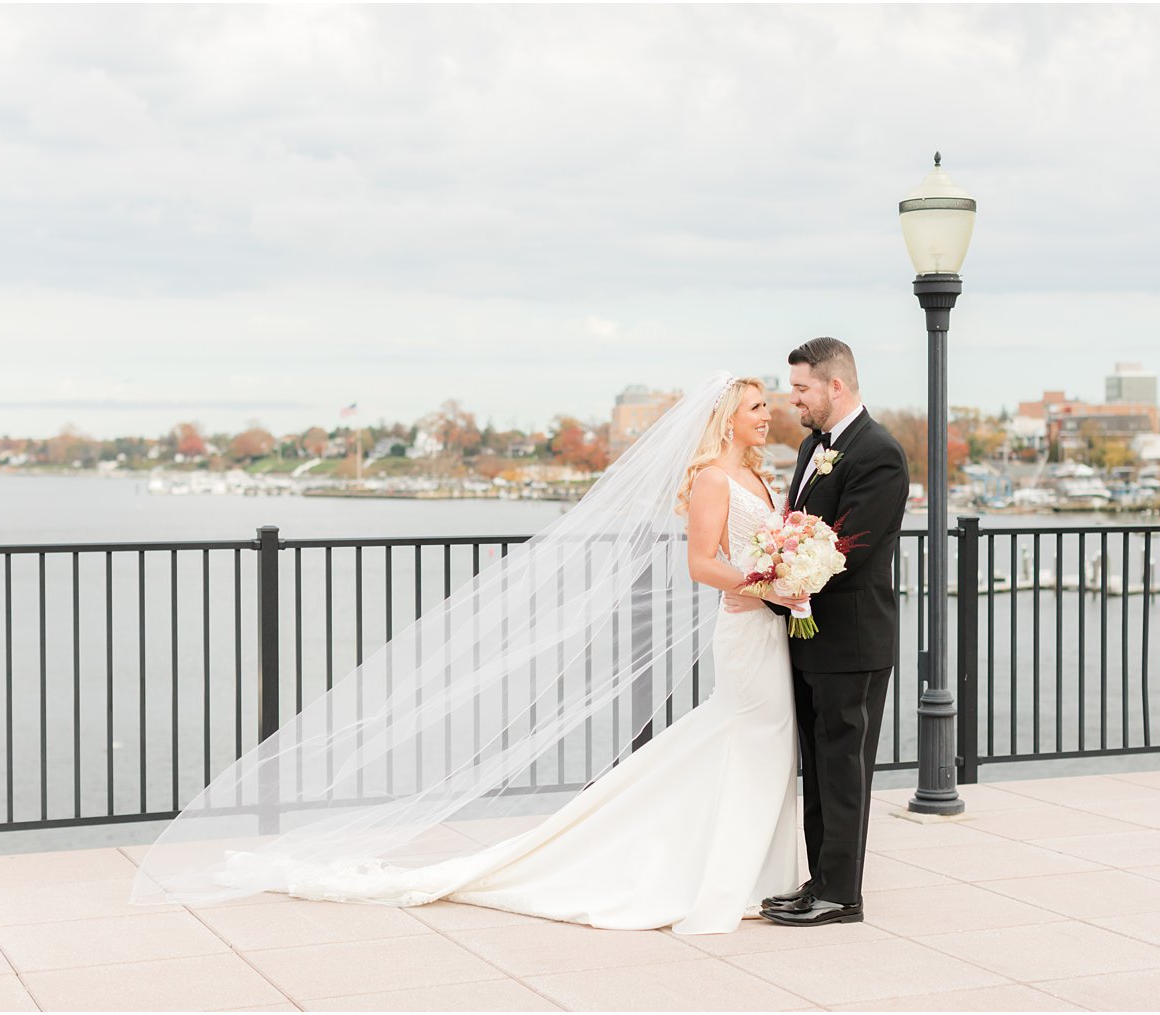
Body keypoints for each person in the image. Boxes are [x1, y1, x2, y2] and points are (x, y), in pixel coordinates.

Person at [132, 373, 811, 935]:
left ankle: (756, 870)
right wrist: (762, 581)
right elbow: (701, 563)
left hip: (768, 628)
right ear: (728, 418)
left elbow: (761, 545)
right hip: (744, 628)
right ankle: (727, 872)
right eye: (757, 406)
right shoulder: (715, 481)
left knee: (757, 743)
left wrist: (788, 573)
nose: (769, 413)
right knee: (752, 737)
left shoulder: (760, 474)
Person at [740, 337, 910, 927]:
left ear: (835, 386)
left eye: (802, 388)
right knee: (819, 766)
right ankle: (822, 882)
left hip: (854, 640)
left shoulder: (879, 452)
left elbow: (850, 551)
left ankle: (843, 894)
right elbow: (800, 526)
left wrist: (778, 581)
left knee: (844, 770)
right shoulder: (816, 444)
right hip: (811, 635)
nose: (794, 401)